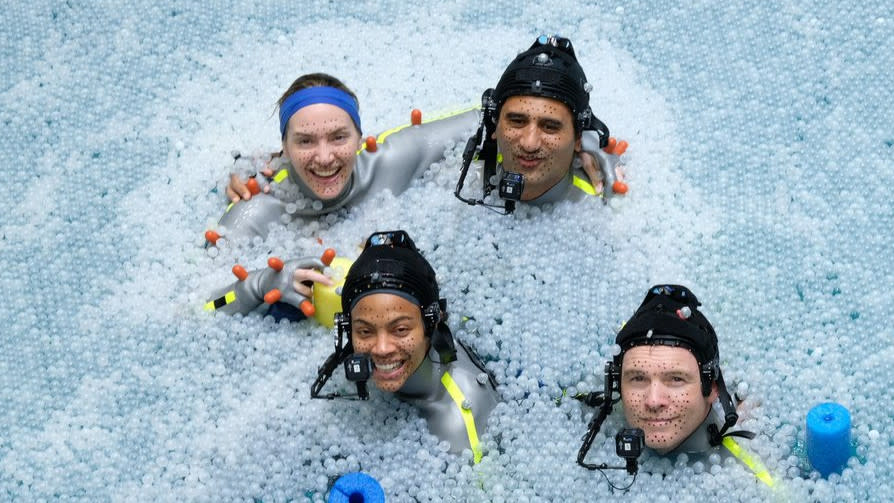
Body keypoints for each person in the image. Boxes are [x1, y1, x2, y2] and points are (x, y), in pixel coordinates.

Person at [310, 230, 499, 463]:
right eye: (365, 331)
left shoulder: (454, 427)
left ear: (432, 323)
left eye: (400, 330)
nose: (380, 348)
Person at [577, 285, 772, 486]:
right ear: (617, 385)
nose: (653, 401)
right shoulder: (597, 414)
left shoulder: (747, 476)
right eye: (637, 379)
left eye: (676, 379)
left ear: (712, 387)